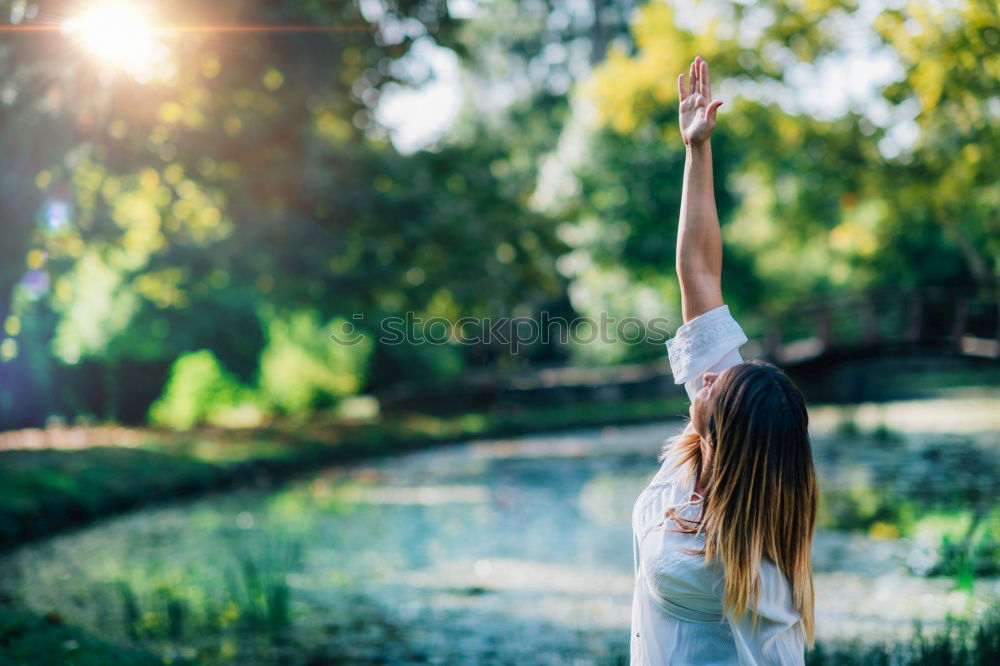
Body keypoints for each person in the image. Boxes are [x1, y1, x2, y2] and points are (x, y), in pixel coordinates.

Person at [630, 56, 818, 665]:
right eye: (721, 374)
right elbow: (700, 272)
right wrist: (697, 152)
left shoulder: (757, 570)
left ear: (733, 437)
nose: (707, 377)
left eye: (718, 388)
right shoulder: (704, 450)